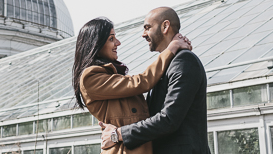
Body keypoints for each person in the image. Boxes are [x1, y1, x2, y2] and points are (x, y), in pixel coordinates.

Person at [72, 17, 192, 154]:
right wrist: (172, 48)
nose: (118, 43)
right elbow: (142, 82)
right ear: (96, 44)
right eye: (111, 39)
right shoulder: (91, 77)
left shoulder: (112, 74)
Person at [100, 7, 210, 154]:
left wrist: (119, 134)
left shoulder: (184, 61)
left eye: (147, 28)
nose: (143, 34)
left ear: (165, 26)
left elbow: (169, 119)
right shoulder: (167, 65)